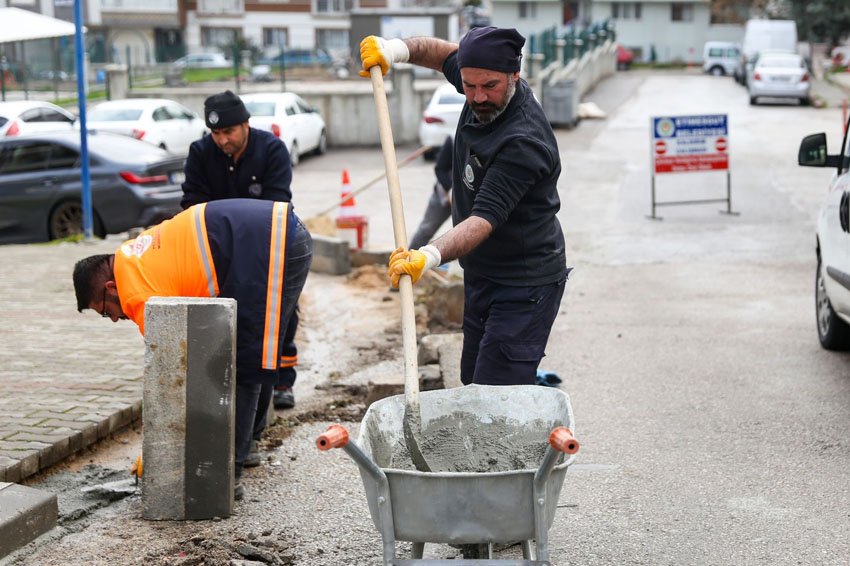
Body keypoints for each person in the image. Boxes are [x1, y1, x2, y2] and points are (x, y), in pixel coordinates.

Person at [361, 27, 569, 387]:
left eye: (489, 86)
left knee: (495, 391)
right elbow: (438, 52)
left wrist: (427, 256)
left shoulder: (523, 141)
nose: (478, 96)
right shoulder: (478, 75)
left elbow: (482, 220)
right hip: (482, 272)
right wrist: (393, 50)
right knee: (471, 378)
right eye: (469, 86)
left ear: (515, 74)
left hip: (524, 283)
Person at [72, 199, 313, 500]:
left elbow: (171, 378)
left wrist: (154, 455)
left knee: (249, 359)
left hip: (269, 240)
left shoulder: (136, 295)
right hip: (267, 235)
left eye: (106, 311)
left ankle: (227, 476)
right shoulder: (129, 258)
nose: (114, 319)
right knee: (257, 348)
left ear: (110, 287)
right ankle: (248, 444)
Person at [181, 90, 300, 412]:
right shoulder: (200, 153)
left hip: (267, 244)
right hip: (217, 251)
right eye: (216, 133)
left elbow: (277, 203)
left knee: (281, 312)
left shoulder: (272, 149)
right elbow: (192, 204)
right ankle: (229, 378)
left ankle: (282, 381)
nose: (222, 140)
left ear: (245, 124)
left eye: (229, 131)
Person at [409, 135, 453, 250]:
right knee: (426, 230)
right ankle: (408, 257)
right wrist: (451, 190)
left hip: (470, 198)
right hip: (444, 195)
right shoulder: (453, 138)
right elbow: (440, 169)